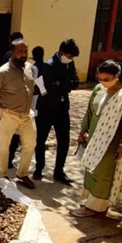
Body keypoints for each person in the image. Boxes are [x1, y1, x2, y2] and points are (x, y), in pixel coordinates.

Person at [73, 60, 122, 217]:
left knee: (103, 173)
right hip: (94, 138)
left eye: (107, 79)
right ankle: (91, 200)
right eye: (100, 78)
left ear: (117, 76)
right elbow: (90, 112)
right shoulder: (98, 89)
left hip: (111, 142)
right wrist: (83, 131)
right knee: (91, 169)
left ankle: (94, 207)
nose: (103, 82)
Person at [0, 39, 36, 189]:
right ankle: (1, 175)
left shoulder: (29, 68)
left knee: (30, 144)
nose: (23, 55)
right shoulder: (1, 73)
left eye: (25, 51)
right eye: (20, 51)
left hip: (27, 115)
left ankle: (22, 174)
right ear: (13, 53)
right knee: (4, 145)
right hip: (8, 113)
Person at [33, 38, 80, 185]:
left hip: (62, 108)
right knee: (40, 139)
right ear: (61, 53)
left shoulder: (69, 63)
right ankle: (39, 167)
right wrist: (66, 84)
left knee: (64, 141)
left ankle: (59, 170)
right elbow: (51, 87)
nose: (71, 59)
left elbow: (76, 82)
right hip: (46, 107)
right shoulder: (49, 65)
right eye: (70, 56)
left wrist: (63, 83)